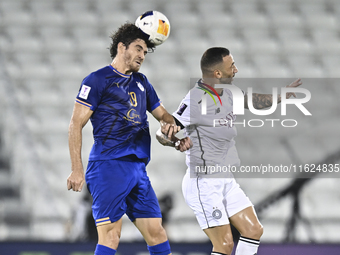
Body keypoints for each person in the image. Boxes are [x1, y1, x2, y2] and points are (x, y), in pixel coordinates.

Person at [157, 47, 302, 255]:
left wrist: (281, 95)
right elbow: (162, 134)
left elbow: (254, 102)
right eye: (231, 66)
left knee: (253, 230)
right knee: (224, 245)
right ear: (217, 73)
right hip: (203, 182)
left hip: (225, 178)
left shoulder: (229, 93)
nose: (236, 69)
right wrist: (175, 142)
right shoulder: (195, 100)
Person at [67, 23, 189, 255]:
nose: (143, 55)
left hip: (137, 169)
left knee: (157, 234)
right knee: (111, 237)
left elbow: (162, 114)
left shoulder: (142, 82)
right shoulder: (97, 80)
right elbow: (75, 124)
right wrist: (76, 169)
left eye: (145, 52)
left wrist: (172, 128)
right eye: (139, 48)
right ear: (122, 47)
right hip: (108, 166)